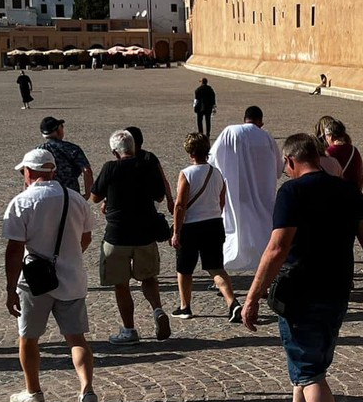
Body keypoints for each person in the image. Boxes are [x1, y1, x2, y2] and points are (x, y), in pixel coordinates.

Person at [242, 133, 363, 402]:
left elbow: (277, 248)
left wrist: (252, 297)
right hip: (337, 291)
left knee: (309, 373)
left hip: (300, 294)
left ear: (291, 161)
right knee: (309, 362)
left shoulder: (291, 192)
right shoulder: (348, 191)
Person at [3, 149, 98, 402]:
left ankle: (33, 391)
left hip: (35, 281)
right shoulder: (75, 198)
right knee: (76, 339)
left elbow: (14, 250)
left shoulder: (22, 202)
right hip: (72, 277)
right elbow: (86, 237)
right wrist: (70, 256)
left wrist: (10, 288)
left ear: (28, 172)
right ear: (53, 171)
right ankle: (87, 390)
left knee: (29, 338)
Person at [90, 129, 171, 344]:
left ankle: (129, 330)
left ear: (115, 152)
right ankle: (157, 309)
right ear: (134, 147)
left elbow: (94, 197)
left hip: (117, 235)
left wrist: (110, 196)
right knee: (149, 278)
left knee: (121, 284)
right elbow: (160, 196)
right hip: (145, 233)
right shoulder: (147, 166)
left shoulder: (110, 168)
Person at [171, 132, 241, 322]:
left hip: (191, 227)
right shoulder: (217, 173)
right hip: (214, 224)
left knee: (184, 269)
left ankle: (185, 306)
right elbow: (221, 201)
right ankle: (232, 303)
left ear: (190, 152)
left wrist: (176, 232)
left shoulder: (187, 174)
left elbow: (180, 205)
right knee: (216, 268)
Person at [209, 106, 283, 271]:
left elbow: (212, 159)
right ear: (260, 122)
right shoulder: (267, 137)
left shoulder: (230, 131)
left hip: (235, 191)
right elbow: (279, 170)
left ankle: (229, 266)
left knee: (235, 227)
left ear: (244, 119)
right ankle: (263, 263)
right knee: (261, 228)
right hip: (262, 194)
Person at [39, 117, 93, 198]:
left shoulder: (38, 151)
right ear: (58, 130)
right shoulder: (72, 149)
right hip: (71, 195)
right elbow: (87, 171)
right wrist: (88, 193)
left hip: (47, 195)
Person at [125, 125, 174, 214]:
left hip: (138, 201)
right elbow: (164, 180)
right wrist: (170, 200)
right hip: (151, 201)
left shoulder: (125, 159)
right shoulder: (149, 157)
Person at [325, 119, 363, 191]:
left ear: (330, 136)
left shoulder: (327, 153)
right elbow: (360, 179)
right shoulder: (354, 150)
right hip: (353, 193)